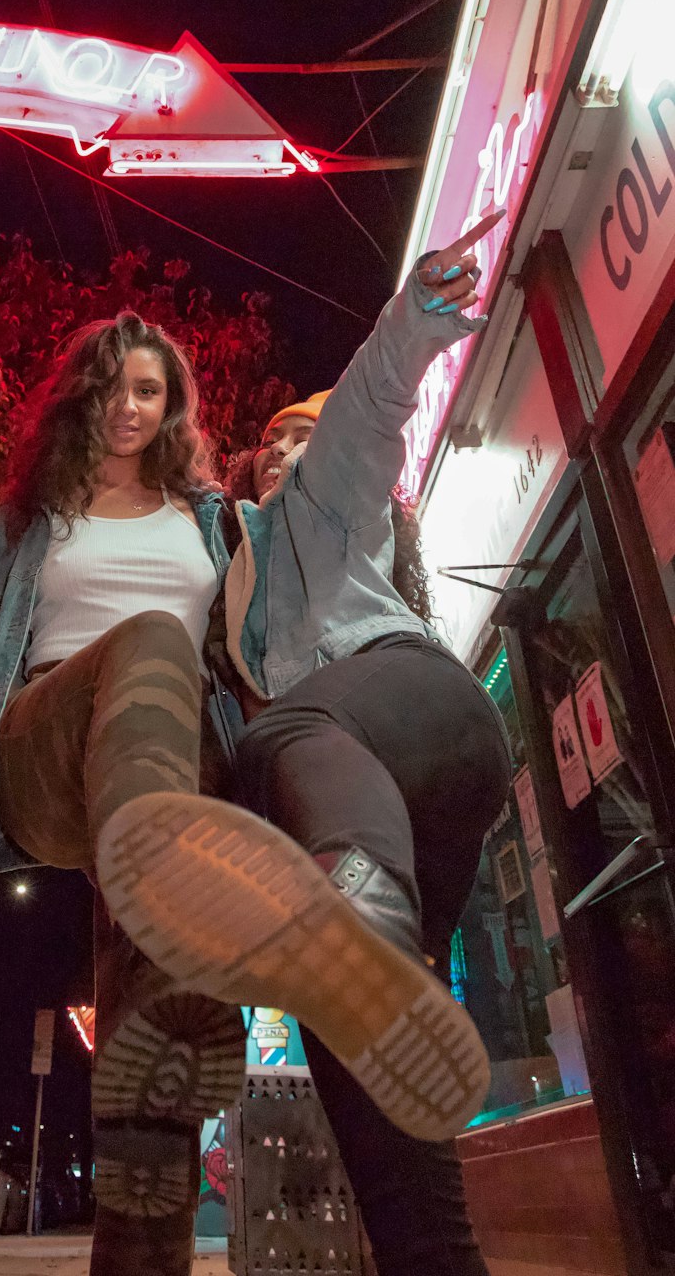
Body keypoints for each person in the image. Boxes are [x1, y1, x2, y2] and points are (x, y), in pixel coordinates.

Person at [96, 215, 513, 1275]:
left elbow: (367, 414)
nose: (287, 455)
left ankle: (355, 923)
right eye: (274, 443)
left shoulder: (317, 516)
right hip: (404, 801)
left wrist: (411, 327)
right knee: (367, 1082)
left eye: (298, 441)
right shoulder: (232, 565)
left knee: (286, 732)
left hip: (406, 711)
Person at [0, 311, 247, 1273]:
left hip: (173, 767)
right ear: (81, 399)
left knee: (160, 1028)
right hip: (47, 745)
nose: (129, 408)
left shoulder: (211, 519)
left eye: (148, 391)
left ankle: (142, 1256)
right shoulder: (27, 524)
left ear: (171, 405)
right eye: (111, 389)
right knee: (152, 640)